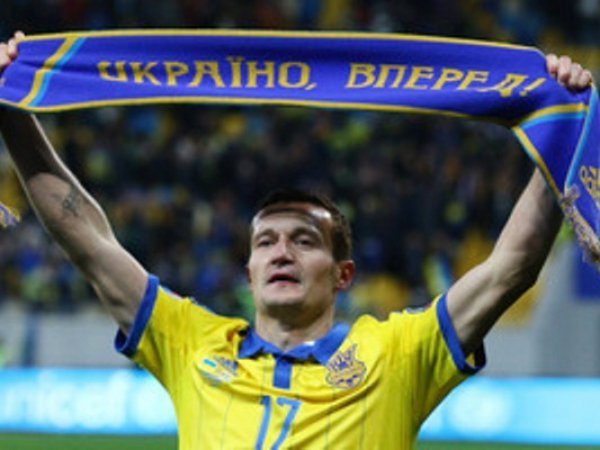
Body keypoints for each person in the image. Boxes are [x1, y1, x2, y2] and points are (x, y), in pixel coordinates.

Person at [0, 32, 594, 449]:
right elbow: (87, 238)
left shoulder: (397, 353)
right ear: (249, 272)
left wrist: (561, 127)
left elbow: (510, 267)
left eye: (305, 241)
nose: (280, 252)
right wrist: (11, 105)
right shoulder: (191, 342)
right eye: (265, 243)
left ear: (343, 274)